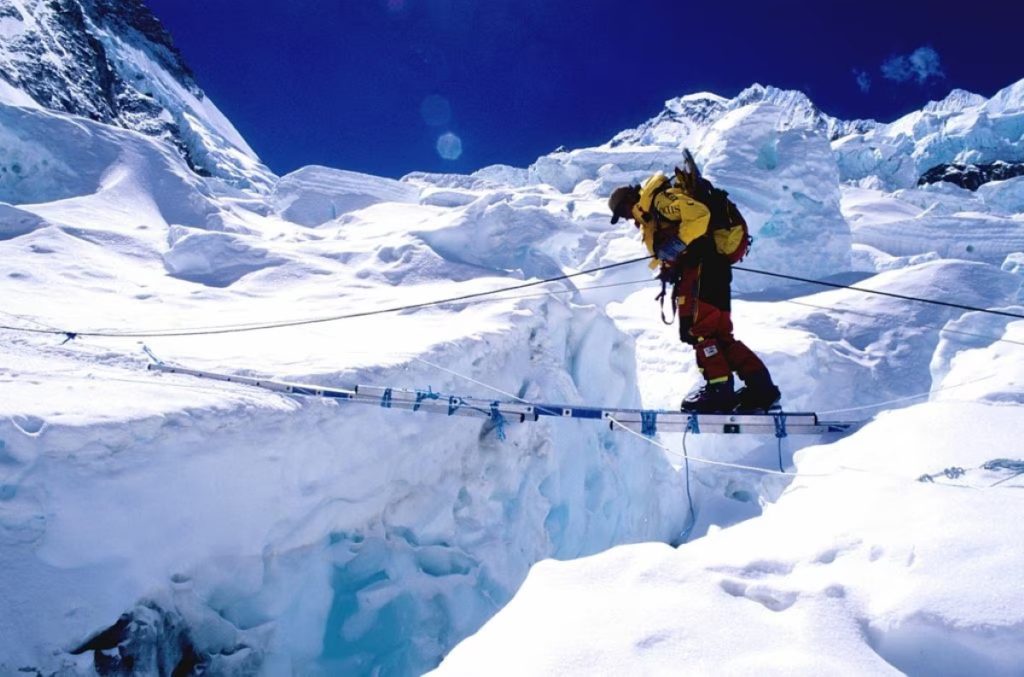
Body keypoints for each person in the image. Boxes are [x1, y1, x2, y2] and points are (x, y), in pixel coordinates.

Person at [608, 169, 781, 413]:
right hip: (714, 269)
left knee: (700, 331)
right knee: (720, 335)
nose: (628, 219)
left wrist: (676, 247)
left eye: (623, 213)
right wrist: (670, 264)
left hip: (700, 270)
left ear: (629, 202)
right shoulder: (654, 213)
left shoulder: (659, 201)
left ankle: (718, 391)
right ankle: (761, 388)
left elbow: (698, 215)